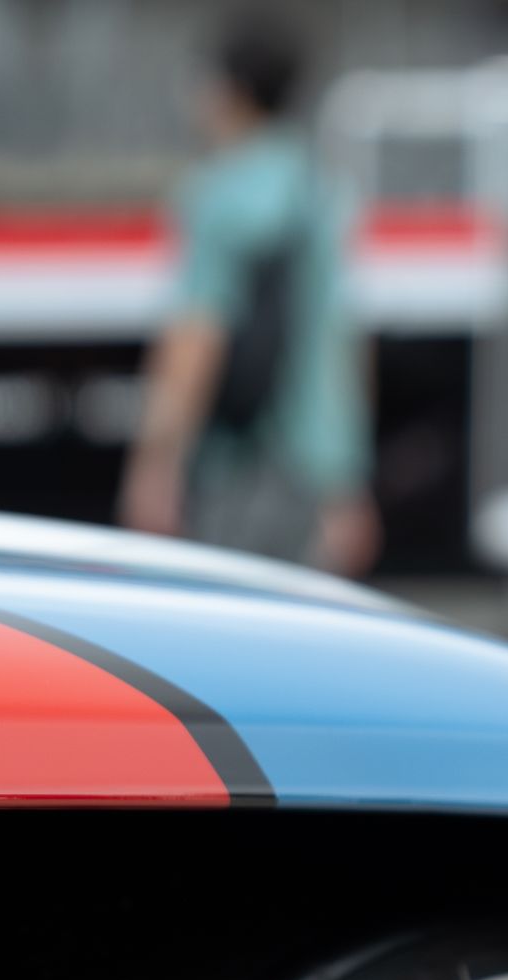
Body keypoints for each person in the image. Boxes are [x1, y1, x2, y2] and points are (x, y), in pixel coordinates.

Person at [118, 16, 374, 576]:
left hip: (237, 466)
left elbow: (196, 338)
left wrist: (155, 464)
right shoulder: (321, 190)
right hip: (309, 478)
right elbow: (339, 349)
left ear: (231, 90)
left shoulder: (217, 195)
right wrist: (347, 485)